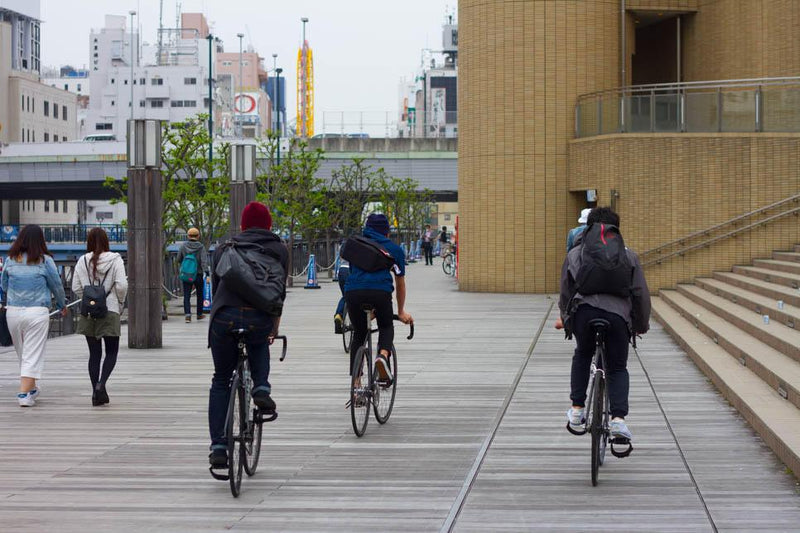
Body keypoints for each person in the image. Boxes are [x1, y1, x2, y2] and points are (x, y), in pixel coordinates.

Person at [557, 207, 651, 442]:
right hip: (618, 317)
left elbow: (565, 293)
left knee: (582, 354)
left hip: (584, 313)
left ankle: (577, 409)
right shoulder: (629, 255)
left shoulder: (575, 253)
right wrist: (640, 324)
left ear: (588, 227)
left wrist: (568, 322)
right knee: (617, 367)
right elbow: (640, 294)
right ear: (615, 229)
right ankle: (618, 420)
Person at [207, 202, 288, 468]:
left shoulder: (224, 248)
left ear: (241, 225)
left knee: (221, 379)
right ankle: (261, 387)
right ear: (269, 225)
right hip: (258, 317)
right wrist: (274, 328)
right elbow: (278, 293)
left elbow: (217, 288)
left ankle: (219, 446)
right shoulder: (279, 249)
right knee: (259, 343)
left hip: (224, 317)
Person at [0, 225, 66, 407]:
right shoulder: (45, 261)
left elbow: (4, 285)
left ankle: (31, 388)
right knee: (32, 352)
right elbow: (56, 285)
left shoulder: (11, 259)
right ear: (40, 240)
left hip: (13, 311)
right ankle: (23, 395)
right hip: (37, 312)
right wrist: (62, 304)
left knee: (23, 352)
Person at [344, 214, 413, 386]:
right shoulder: (394, 250)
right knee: (386, 325)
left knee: (359, 333)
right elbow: (400, 282)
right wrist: (401, 311)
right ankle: (382, 357)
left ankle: (356, 383)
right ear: (387, 231)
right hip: (380, 292)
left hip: (353, 292)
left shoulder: (356, 244)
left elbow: (355, 273)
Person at [71, 228, 128, 406]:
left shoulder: (82, 260)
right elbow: (121, 285)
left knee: (94, 354)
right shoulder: (115, 259)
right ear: (106, 241)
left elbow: (75, 287)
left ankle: (95, 392)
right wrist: (119, 303)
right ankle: (101, 385)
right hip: (110, 309)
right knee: (112, 351)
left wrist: (88, 299)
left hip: (89, 312)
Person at [177, 228, 208, 323]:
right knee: (199, 294)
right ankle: (199, 314)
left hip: (187, 274)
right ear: (198, 236)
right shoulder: (201, 247)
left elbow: (178, 259)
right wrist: (206, 272)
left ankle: (187, 315)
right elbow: (204, 261)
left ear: (188, 236)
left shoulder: (183, 246)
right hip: (198, 274)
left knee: (186, 294)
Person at [333, 248, 350, 334]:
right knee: (352, 294)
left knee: (345, 296)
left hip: (342, 269)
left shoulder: (346, 245)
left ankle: (338, 315)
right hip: (351, 270)